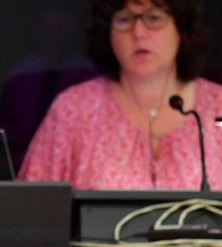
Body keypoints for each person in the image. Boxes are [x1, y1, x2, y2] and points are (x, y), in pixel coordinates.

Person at [19, 0, 222, 190]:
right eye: (124, 20)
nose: (139, 32)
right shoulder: (73, 109)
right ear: (108, 33)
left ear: (182, 29)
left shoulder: (218, 106)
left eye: (154, 18)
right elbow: (33, 215)